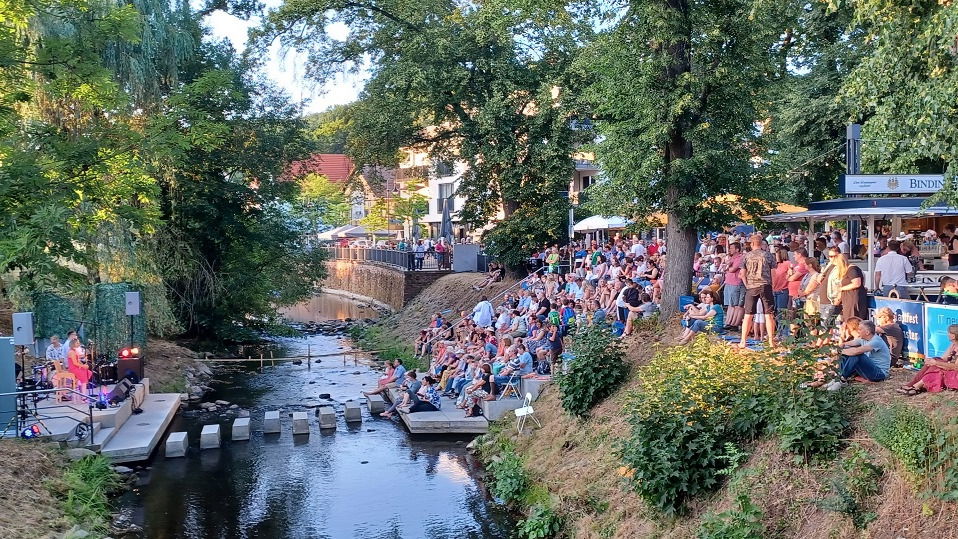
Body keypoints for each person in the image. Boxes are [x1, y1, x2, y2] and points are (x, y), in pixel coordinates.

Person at [739, 234, 777, 349]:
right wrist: (772, 285)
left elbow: (742, 274)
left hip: (751, 286)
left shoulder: (746, 256)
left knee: (748, 315)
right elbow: (773, 273)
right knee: (768, 314)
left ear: (751, 244)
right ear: (762, 243)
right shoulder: (768, 255)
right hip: (765, 285)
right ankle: (771, 341)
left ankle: (743, 341)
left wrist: (747, 285)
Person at [897, 324, 958, 395]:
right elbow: (944, 358)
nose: (947, 334)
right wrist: (932, 361)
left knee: (937, 369)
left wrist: (936, 363)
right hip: (951, 367)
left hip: (955, 373)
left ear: (953, 336)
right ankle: (912, 384)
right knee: (934, 362)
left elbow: (956, 367)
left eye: (949, 333)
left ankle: (916, 387)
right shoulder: (953, 345)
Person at [722, 242, 745, 330]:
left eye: (732, 248)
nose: (730, 250)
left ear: (737, 249)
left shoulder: (740, 258)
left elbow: (732, 269)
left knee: (736, 304)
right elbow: (724, 267)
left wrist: (727, 267)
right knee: (730, 304)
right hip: (728, 282)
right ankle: (729, 322)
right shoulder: (731, 258)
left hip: (736, 283)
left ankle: (735, 323)